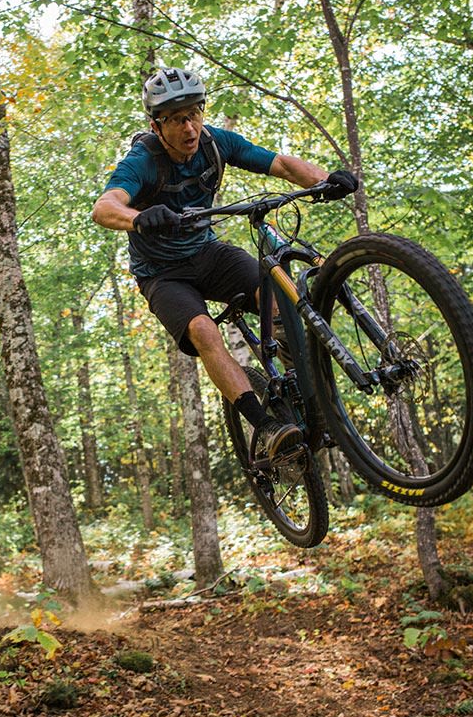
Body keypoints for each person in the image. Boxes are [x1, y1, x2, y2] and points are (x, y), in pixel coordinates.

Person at [91, 67, 358, 461]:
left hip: (209, 253)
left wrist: (325, 180)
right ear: (156, 124)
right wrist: (138, 218)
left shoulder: (217, 144)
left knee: (280, 299)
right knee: (203, 331)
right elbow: (104, 207)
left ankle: (305, 397)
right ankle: (266, 427)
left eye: (195, 113)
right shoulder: (142, 161)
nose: (189, 127)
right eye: (177, 119)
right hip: (163, 276)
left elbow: (280, 165)